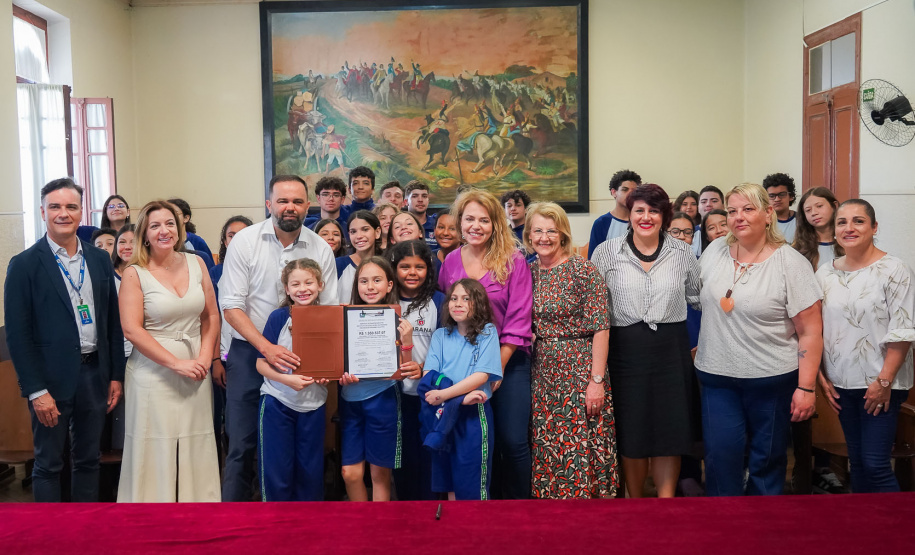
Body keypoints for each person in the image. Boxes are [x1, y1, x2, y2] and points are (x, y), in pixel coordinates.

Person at [695, 183, 823, 496]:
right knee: (720, 457)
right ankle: (724, 519)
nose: (738, 217)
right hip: (717, 377)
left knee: (766, 462)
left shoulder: (791, 263)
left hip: (771, 380)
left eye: (748, 209)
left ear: (768, 214)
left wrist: (806, 388)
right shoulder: (714, 251)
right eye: (732, 211)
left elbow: (810, 331)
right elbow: (699, 302)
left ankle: (763, 522)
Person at [219, 174, 339, 502]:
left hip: (305, 354)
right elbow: (230, 306)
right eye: (282, 201)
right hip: (250, 350)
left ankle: (296, 518)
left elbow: (329, 311)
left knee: (300, 450)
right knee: (242, 442)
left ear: (308, 205)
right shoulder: (245, 241)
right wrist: (267, 348)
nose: (290, 207)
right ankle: (237, 518)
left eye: (297, 201)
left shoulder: (320, 247)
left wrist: (325, 363)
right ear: (269, 204)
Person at [4, 177, 125, 502]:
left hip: (94, 375)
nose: (63, 213)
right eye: (55, 206)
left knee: (88, 460)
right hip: (49, 381)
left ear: (81, 211)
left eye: (71, 206)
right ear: (43, 212)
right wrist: (36, 390)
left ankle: (84, 526)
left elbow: (112, 323)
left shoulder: (98, 259)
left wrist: (115, 375)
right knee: (48, 464)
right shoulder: (24, 265)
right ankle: (49, 530)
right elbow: (18, 335)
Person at [591, 184, 700, 498]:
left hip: (671, 351)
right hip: (625, 353)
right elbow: (594, 307)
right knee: (632, 431)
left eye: (654, 211)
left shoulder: (682, 252)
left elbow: (698, 298)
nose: (646, 217)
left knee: (670, 431)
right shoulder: (606, 252)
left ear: (664, 215)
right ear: (629, 214)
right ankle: (636, 502)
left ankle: (665, 503)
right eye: (639, 210)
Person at [117, 200, 221, 502]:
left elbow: (211, 316)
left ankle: (198, 510)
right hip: (153, 373)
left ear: (180, 228)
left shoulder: (197, 263)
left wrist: (205, 357)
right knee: (154, 444)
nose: (164, 231)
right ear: (145, 234)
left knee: (197, 441)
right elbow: (132, 329)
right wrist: (176, 364)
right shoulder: (134, 273)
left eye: (170, 223)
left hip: (196, 369)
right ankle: (150, 514)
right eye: (155, 226)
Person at [438, 189, 533, 499]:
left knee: (512, 441)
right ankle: (483, 506)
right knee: (475, 442)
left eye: (484, 220)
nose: (475, 226)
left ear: (495, 224)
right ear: (459, 222)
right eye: (469, 219)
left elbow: (519, 318)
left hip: (508, 362)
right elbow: (448, 313)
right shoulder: (451, 261)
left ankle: (517, 508)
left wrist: (495, 369)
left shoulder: (513, 260)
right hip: (463, 366)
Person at [817, 199, 915, 493]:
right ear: (834, 231)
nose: (849, 228)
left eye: (858, 221)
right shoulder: (825, 273)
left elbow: (902, 331)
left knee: (875, 465)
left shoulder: (894, 270)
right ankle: (864, 521)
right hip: (840, 384)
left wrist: (883, 382)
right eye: (842, 222)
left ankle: (897, 523)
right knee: (857, 463)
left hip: (881, 383)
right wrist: (821, 377)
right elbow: (815, 329)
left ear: (874, 227)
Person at [526, 202, 618, 499]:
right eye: (538, 231)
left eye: (551, 231)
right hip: (542, 372)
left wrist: (596, 380)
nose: (544, 237)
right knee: (547, 441)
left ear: (563, 234)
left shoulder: (582, 269)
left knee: (581, 442)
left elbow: (601, 327)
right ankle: (550, 510)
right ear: (528, 235)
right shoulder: (528, 272)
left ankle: (587, 510)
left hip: (580, 370)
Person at [338, 257, 414, 502]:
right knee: (349, 473)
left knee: (379, 474)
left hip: (384, 398)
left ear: (389, 285)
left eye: (377, 280)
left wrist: (407, 342)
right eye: (364, 281)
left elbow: (404, 370)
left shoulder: (398, 320)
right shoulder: (343, 317)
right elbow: (335, 362)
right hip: (350, 400)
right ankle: (361, 521)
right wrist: (339, 376)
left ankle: (377, 525)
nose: (370, 287)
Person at [256, 259, 330, 501]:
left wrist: (328, 377)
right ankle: (276, 519)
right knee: (277, 470)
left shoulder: (330, 317)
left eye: (309, 282)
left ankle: (308, 520)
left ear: (320, 285)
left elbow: (333, 362)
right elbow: (260, 364)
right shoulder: (278, 318)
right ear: (287, 289)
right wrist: (287, 380)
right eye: (295, 284)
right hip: (278, 401)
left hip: (314, 405)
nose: (303, 289)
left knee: (310, 472)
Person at [422, 279, 503, 500]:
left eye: (466, 299)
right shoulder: (440, 335)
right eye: (454, 298)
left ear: (479, 303)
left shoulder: (487, 332)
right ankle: (455, 522)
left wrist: (447, 395)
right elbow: (430, 375)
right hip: (445, 413)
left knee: (472, 482)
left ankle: (475, 522)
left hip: (473, 415)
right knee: (449, 480)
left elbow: (481, 376)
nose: (458, 304)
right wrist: (459, 399)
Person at [387, 240, 444, 500]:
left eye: (419, 267)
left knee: (430, 454)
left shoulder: (439, 301)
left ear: (428, 269)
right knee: (404, 456)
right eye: (405, 266)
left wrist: (424, 368)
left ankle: (431, 508)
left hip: (430, 392)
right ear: (394, 269)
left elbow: (447, 347)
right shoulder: (385, 301)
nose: (412, 272)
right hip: (394, 393)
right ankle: (406, 509)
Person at [209, 215, 253, 465]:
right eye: (231, 235)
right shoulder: (215, 272)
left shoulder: (261, 266)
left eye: (242, 234)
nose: (236, 240)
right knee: (233, 419)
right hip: (226, 352)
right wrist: (216, 359)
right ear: (224, 241)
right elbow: (212, 317)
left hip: (257, 352)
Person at [588, 169, 641, 259]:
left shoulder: (642, 220)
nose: (630, 194)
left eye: (634, 191)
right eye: (625, 190)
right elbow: (593, 259)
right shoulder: (602, 223)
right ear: (614, 192)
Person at [336, 210, 383, 305]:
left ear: (377, 232)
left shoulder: (386, 264)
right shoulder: (338, 264)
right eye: (353, 232)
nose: (359, 236)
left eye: (365, 229)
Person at [794, 187, 843, 270]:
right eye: (808, 210)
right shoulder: (798, 249)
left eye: (819, 206)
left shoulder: (849, 243)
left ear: (834, 206)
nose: (814, 213)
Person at [167, 198, 214, 263]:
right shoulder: (163, 242)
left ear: (186, 218)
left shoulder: (197, 242)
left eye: (175, 213)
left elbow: (209, 266)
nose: (170, 217)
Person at [763, 173, 798, 244]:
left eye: (782, 194)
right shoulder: (763, 222)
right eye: (772, 196)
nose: (777, 199)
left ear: (791, 196)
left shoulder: (802, 220)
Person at [404, 180, 438, 250]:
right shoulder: (400, 226)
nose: (420, 200)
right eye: (415, 196)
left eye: (424, 196)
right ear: (406, 201)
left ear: (428, 201)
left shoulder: (437, 224)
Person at [694, 186, 725, 256]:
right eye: (703, 202)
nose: (708, 204)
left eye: (714, 201)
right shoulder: (691, 233)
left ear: (723, 206)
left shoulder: (733, 231)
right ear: (698, 207)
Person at [432, 209, 459, 276]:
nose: (445, 233)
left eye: (452, 229)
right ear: (434, 230)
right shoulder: (428, 257)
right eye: (441, 227)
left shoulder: (469, 259)